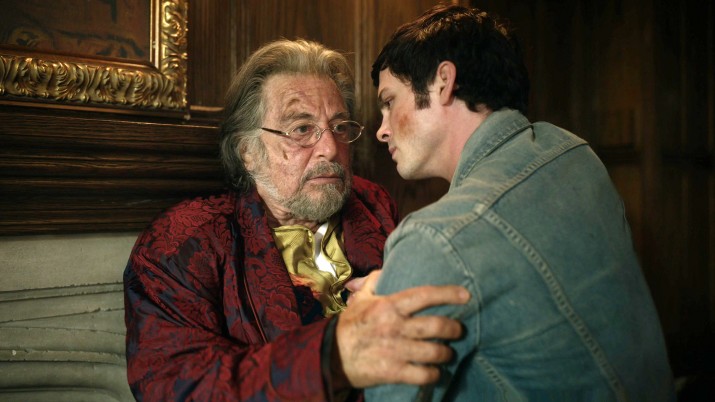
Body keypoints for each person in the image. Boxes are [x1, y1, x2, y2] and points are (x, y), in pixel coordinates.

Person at [123, 39, 469, 401]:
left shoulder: (373, 204)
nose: (330, 149)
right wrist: (332, 357)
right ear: (248, 152)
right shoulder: (182, 243)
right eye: (302, 129)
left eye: (339, 127)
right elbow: (174, 383)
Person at [365, 5, 675, 401]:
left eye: (389, 101)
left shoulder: (433, 239)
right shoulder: (574, 154)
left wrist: (381, 300)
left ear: (443, 82)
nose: (382, 130)